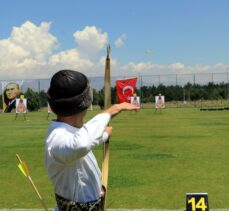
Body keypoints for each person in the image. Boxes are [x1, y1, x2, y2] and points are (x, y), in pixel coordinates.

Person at [45, 69, 140, 211]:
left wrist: (103, 136)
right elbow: (81, 144)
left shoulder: (69, 132)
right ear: (85, 102)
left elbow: (83, 143)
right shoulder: (57, 139)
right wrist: (111, 110)